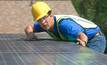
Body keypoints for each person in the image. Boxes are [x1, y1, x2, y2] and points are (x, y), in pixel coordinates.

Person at [25, 1, 106, 53]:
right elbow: (29, 27)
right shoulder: (44, 25)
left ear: (50, 14)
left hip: (95, 40)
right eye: (39, 20)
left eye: (44, 17)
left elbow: (83, 36)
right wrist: (30, 34)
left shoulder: (64, 25)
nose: (42, 22)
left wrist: (82, 45)